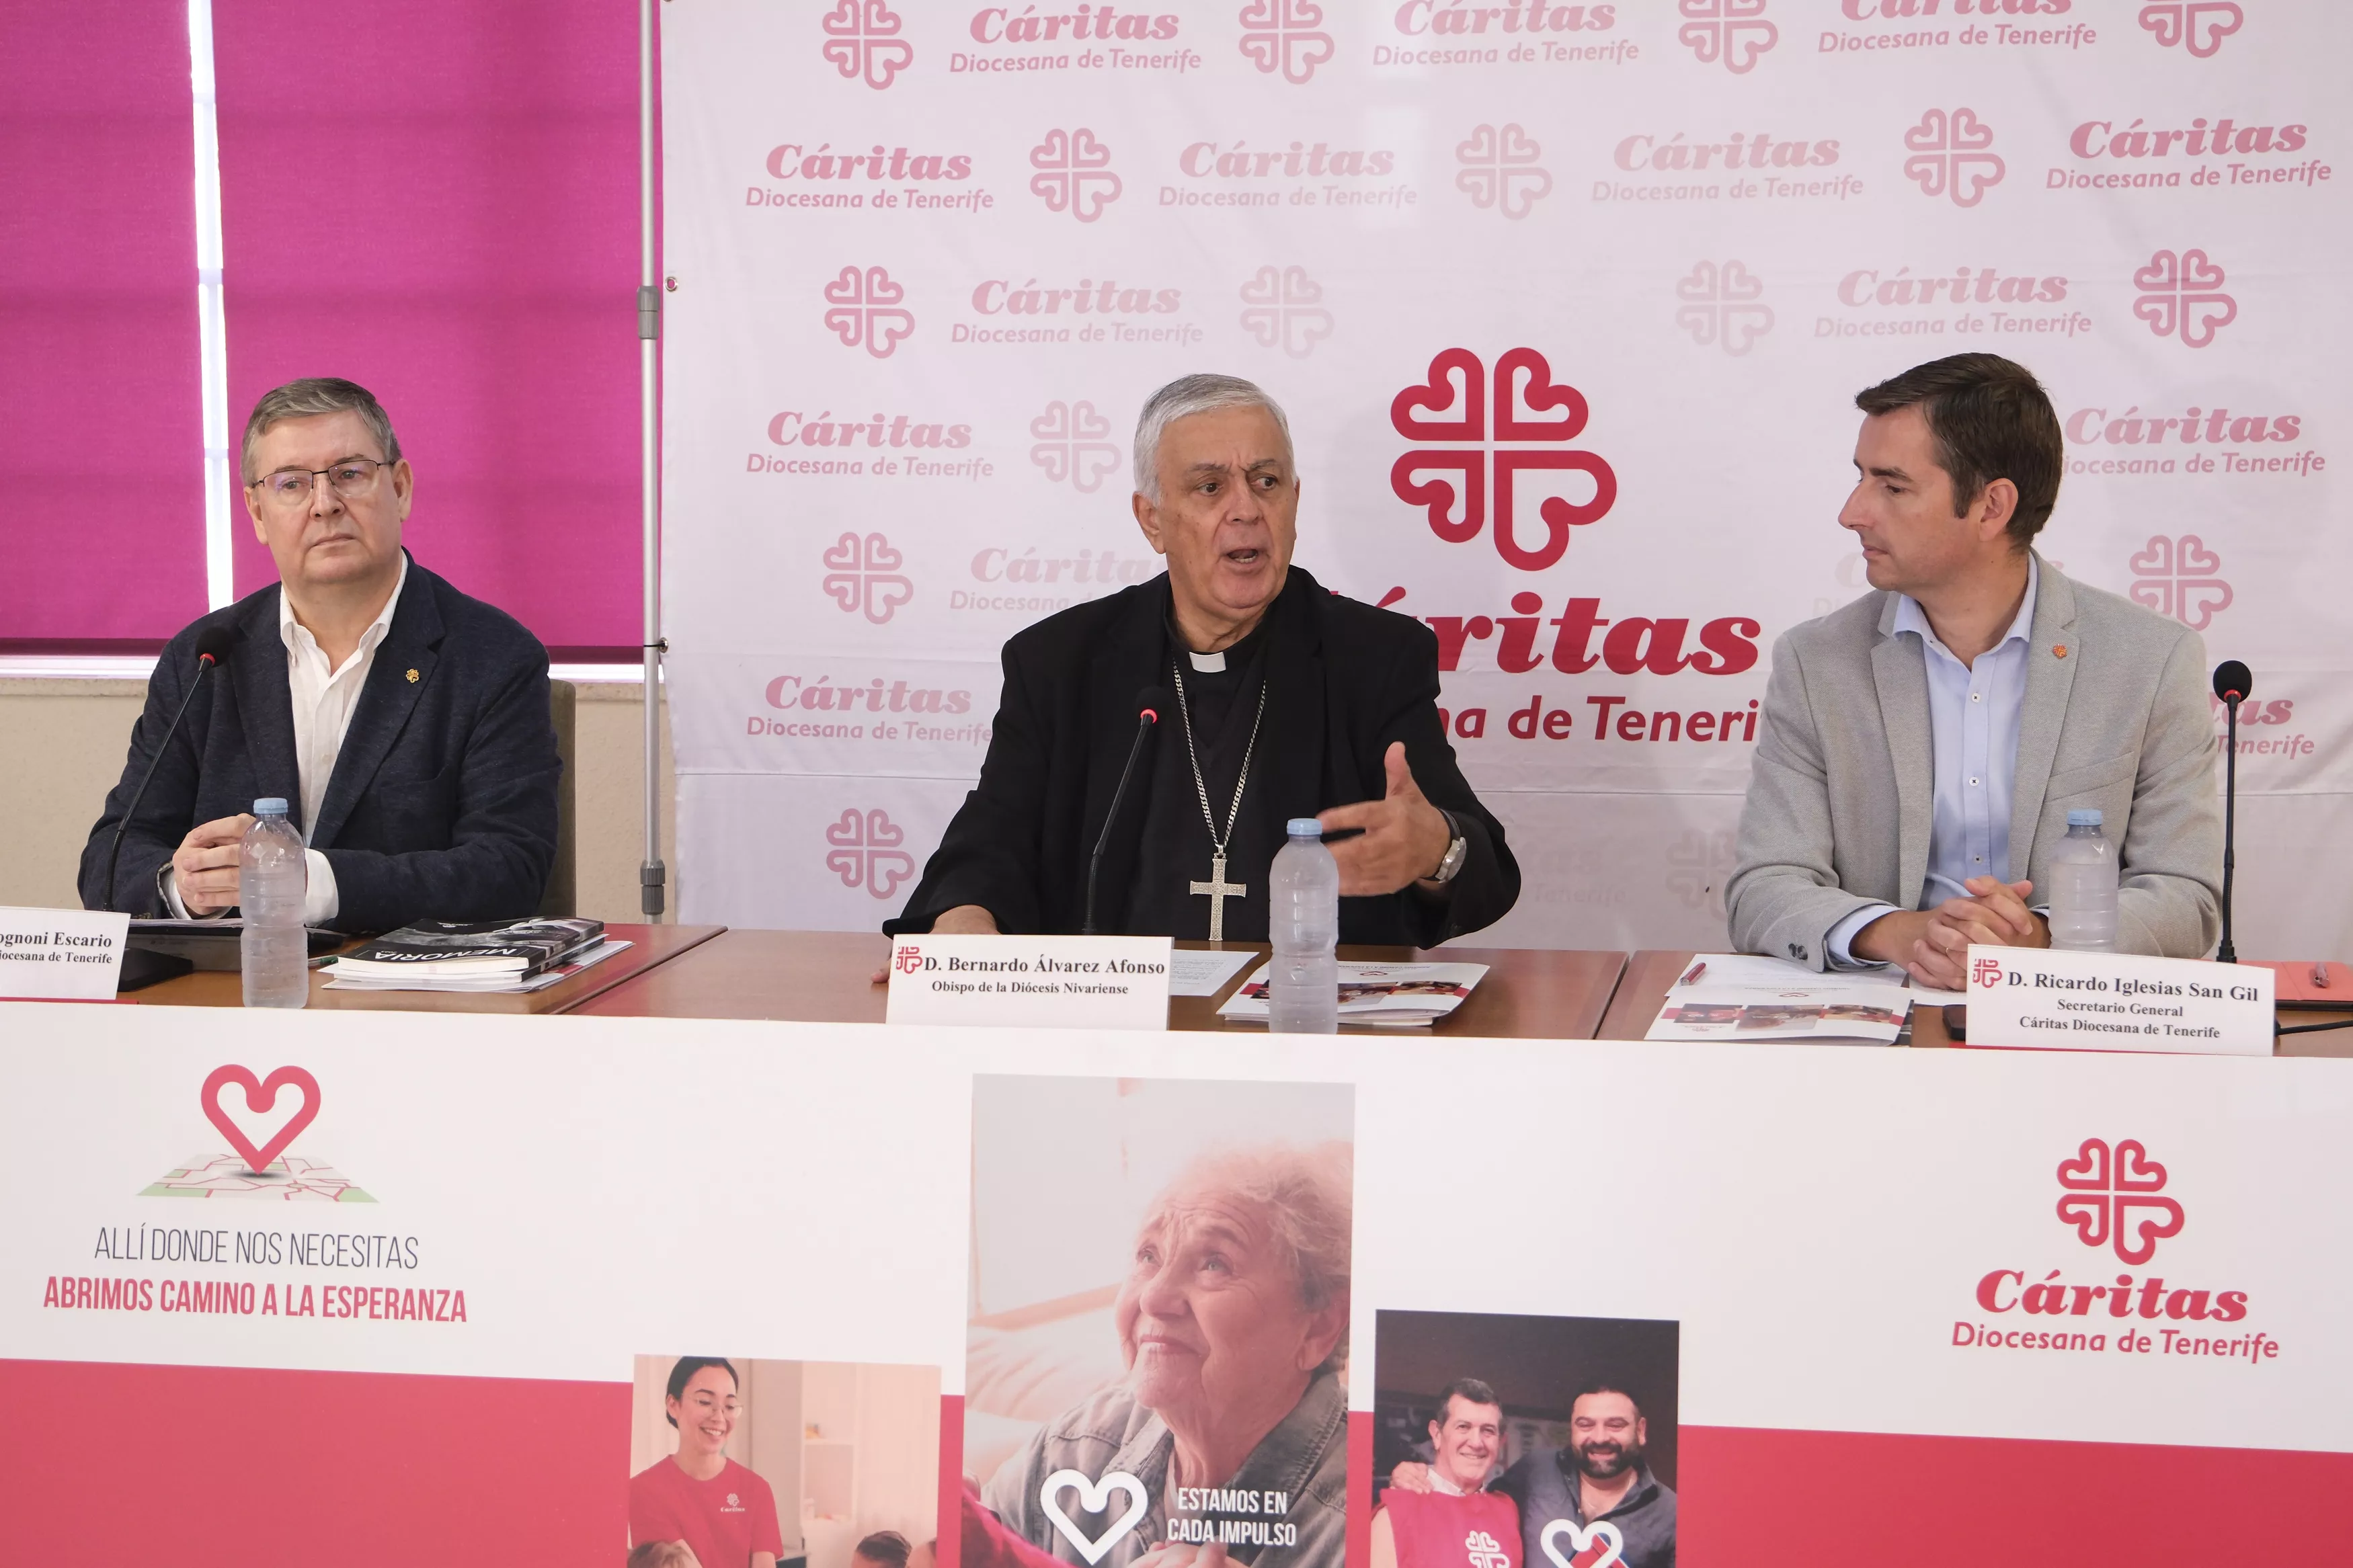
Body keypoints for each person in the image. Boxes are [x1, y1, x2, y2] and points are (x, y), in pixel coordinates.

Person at [887, 374, 1517, 944]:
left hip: (1313, 1028)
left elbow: (1481, 861)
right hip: (1110, 1039)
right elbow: (991, 839)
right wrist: (963, 922)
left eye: (1266, 482)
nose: (1245, 508)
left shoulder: (1372, 658)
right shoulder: (1059, 663)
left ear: (1294, 502)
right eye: (1210, 486)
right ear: (1152, 520)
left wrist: (1439, 850)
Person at [1726, 354, 2222, 983]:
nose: (1852, 512)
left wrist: (2039, 938)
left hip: (2068, 1018)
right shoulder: (1816, 662)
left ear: (1992, 507)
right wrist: (1899, 933)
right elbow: (1765, 884)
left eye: (1893, 485)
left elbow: (2187, 894)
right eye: (1860, 478)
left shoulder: (2150, 659)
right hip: (1881, 1018)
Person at [79, 377, 560, 933]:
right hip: (232, 993)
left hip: (411, 999)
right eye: (292, 485)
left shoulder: (493, 657)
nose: (324, 504)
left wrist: (313, 882)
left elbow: (508, 871)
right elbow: (109, 862)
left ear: (399, 488)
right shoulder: (206, 658)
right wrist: (182, 886)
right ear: (257, 513)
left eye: (349, 474)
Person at [982, 1142, 1352, 1568]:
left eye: (1215, 1264)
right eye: (1148, 1255)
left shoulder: (1367, 1525)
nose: (1154, 1298)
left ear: (1318, 1326)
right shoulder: (1071, 1453)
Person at [1391, 1385, 1674, 1568]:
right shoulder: (1537, 1468)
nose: (1599, 1437)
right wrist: (1418, 1473)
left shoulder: (1672, 1514)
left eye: (1615, 1425)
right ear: (1572, 1430)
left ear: (1640, 1430)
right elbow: (1472, 1501)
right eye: (1586, 1425)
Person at [630, 1357, 784, 1568]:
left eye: (729, 1406)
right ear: (673, 1405)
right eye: (705, 1402)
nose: (719, 1417)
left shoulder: (756, 1489)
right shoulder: (645, 1490)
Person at [1369, 1380, 1520, 1568]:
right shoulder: (1397, 1510)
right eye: (1463, 1427)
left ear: (1501, 1441)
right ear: (1437, 1434)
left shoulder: (1508, 1510)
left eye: (1488, 1431)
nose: (1476, 1442)